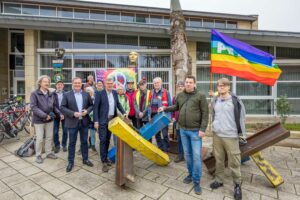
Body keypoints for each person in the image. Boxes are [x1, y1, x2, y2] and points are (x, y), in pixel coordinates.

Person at [158, 75, 209, 195]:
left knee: (196, 156)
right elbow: (176, 107)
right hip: (183, 130)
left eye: (190, 82)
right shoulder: (180, 95)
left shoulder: (200, 96)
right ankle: (190, 174)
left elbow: (205, 113)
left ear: (195, 84)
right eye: (186, 82)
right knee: (188, 154)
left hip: (196, 131)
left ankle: (196, 181)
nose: (188, 84)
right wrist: (165, 108)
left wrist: (203, 129)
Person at [209, 78, 246, 200]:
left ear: (228, 87)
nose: (221, 87)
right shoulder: (215, 100)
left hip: (231, 136)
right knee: (219, 159)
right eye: (219, 86)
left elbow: (242, 118)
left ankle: (237, 185)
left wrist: (242, 134)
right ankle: (219, 180)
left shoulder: (236, 101)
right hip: (217, 135)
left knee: (234, 162)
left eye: (224, 86)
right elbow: (213, 114)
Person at [61, 77, 94, 172]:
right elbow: (62, 107)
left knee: (84, 142)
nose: (77, 84)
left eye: (79, 83)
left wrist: (87, 111)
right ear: (72, 83)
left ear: (81, 84)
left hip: (84, 122)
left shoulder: (86, 94)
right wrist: (72, 113)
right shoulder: (67, 95)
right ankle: (70, 162)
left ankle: (85, 159)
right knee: (72, 143)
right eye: (75, 83)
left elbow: (91, 105)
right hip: (72, 122)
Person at [94, 77, 126, 172]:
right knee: (103, 140)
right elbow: (95, 108)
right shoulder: (99, 94)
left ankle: (105, 157)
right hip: (102, 121)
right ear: (105, 84)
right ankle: (103, 161)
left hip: (112, 121)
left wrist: (123, 112)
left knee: (108, 140)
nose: (110, 85)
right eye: (108, 83)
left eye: (111, 83)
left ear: (113, 84)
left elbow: (118, 104)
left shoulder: (115, 93)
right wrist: (96, 121)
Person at [30, 75, 61, 164]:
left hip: (50, 120)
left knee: (49, 137)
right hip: (39, 120)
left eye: (48, 82)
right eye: (45, 81)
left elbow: (54, 106)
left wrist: (59, 113)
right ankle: (38, 155)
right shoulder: (34, 94)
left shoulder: (51, 93)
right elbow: (34, 107)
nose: (47, 83)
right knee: (39, 139)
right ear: (40, 83)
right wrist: (44, 116)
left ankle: (48, 152)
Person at [148, 77, 172, 152]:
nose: (156, 84)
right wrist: (149, 115)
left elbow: (170, 105)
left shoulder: (166, 92)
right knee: (157, 134)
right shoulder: (151, 92)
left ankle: (166, 149)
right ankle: (160, 148)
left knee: (164, 134)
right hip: (154, 116)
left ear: (161, 83)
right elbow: (149, 105)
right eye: (155, 83)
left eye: (158, 82)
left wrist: (169, 116)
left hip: (163, 116)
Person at [53, 80, 68, 153]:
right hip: (56, 115)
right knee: (55, 131)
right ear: (56, 86)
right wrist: (59, 114)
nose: (59, 86)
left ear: (63, 86)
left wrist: (64, 114)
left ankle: (64, 145)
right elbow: (52, 105)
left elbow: (68, 105)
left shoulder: (66, 94)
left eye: (61, 85)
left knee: (65, 131)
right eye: (58, 84)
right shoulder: (52, 94)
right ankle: (57, 145)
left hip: (64, 115)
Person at [172, 81, 185, 163]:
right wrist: (173, 117)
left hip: (186, 122)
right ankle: (180, 155)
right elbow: (173, 108)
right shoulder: (175, 97)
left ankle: (187, 154)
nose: (180, 87)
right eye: (179, 86)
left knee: (186, 139)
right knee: (179, 139)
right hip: (177, 121)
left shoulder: (187, 96)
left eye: (182, 86)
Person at [85, 86, 97, 152]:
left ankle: (93, 145)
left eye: (89, 91)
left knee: (92, 133)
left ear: (92, 92)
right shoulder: (84, 98)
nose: (88, 92)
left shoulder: (95, 99)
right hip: (85, 119)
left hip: (92, 119)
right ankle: (85, 145)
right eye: (86, 91)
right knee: (85, 133)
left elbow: (95, 108)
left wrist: (89, 113)